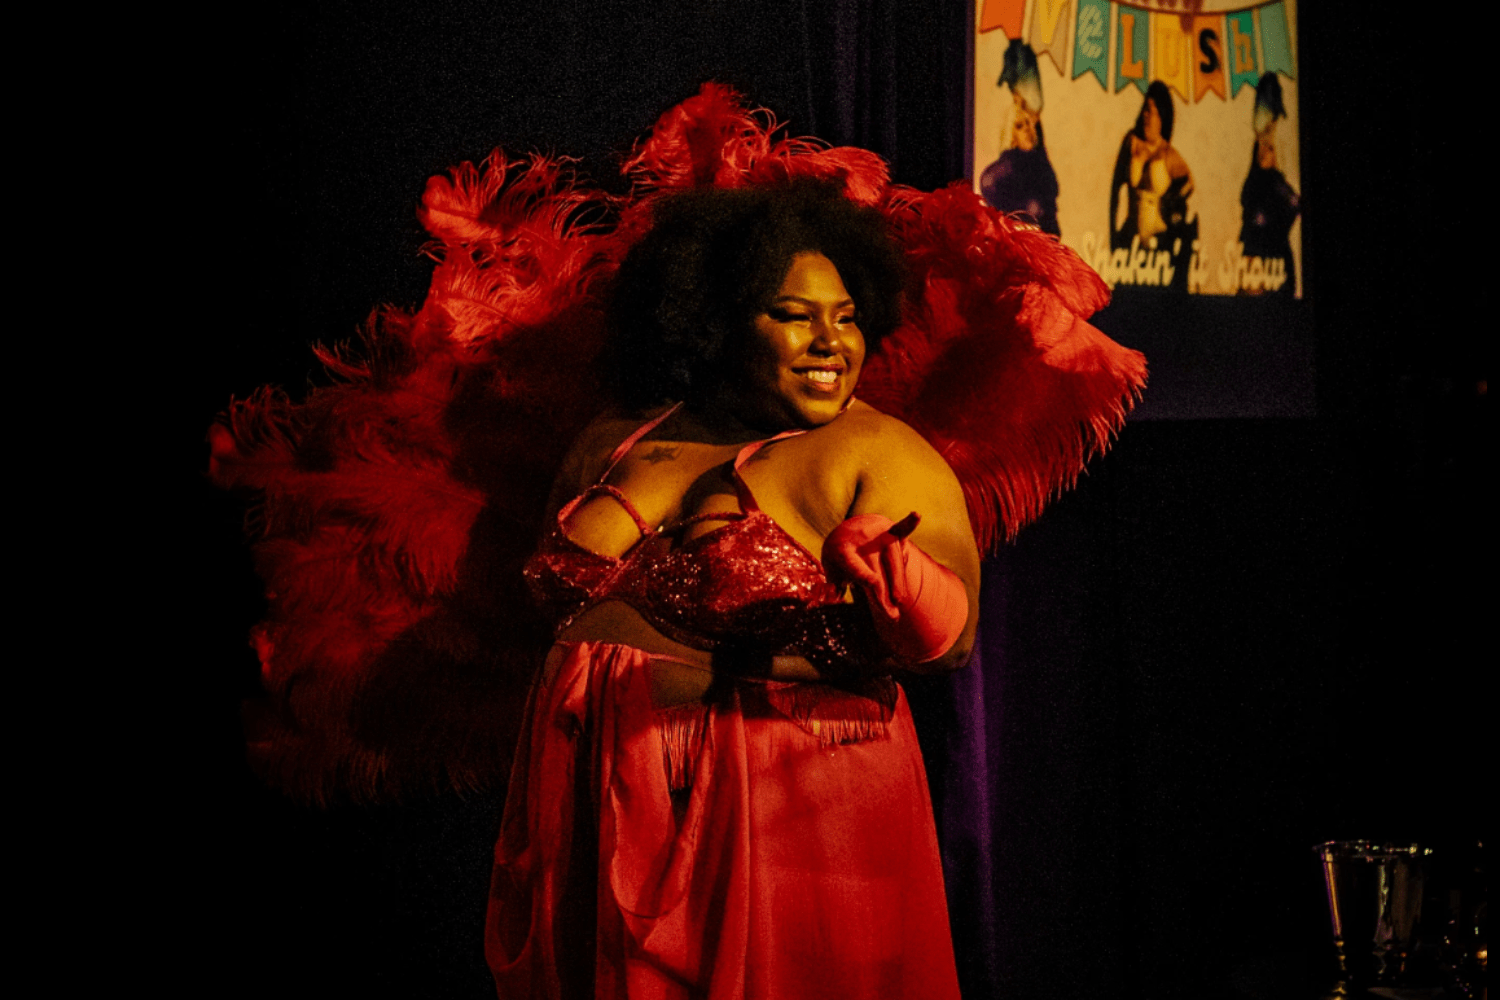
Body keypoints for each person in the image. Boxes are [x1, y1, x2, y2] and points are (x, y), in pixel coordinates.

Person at [486, 180, 976, 999]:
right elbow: (542, 599)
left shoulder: (880, 452)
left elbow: (952, 641)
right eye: (794, 314)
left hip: (780, 817)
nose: (831, 341)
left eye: (847, 316)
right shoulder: (617, 438)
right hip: (595, 793)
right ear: (714, 320)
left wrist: (906, 589)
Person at [1109, 80, 1196, 292]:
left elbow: (1189, 183)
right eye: (1146, 109)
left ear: (1163, 118)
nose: (1148, 116)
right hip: (1131, 239)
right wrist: (1112, 231)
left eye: (1154, 112)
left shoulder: (1168, 153)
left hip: (1160, 242)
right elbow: (1115, 189)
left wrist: (1171, 203)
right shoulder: (1132, 142)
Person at [979, 40, 1061, 236]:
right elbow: (987, 182)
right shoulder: (1006, 167)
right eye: (1020, 126)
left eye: (1029, 124)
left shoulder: (1037, 155)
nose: (1027, 128)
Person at [1238, 73, 1300, 296]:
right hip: (1260, 259)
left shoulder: (1279, 143)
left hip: (1274, 264)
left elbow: (1293, 204)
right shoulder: (1260, 151)